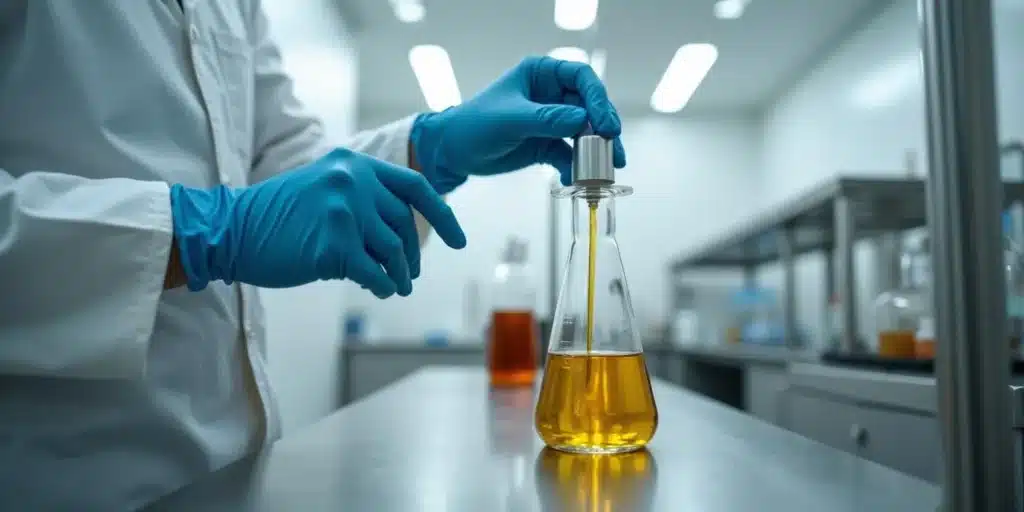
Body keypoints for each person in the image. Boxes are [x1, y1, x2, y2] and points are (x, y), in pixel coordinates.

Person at [0, 1, 627, 510]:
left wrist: (429, 145)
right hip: (59, 479)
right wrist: (194, 232)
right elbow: (267, 207)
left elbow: (299, 169)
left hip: (233, 474)